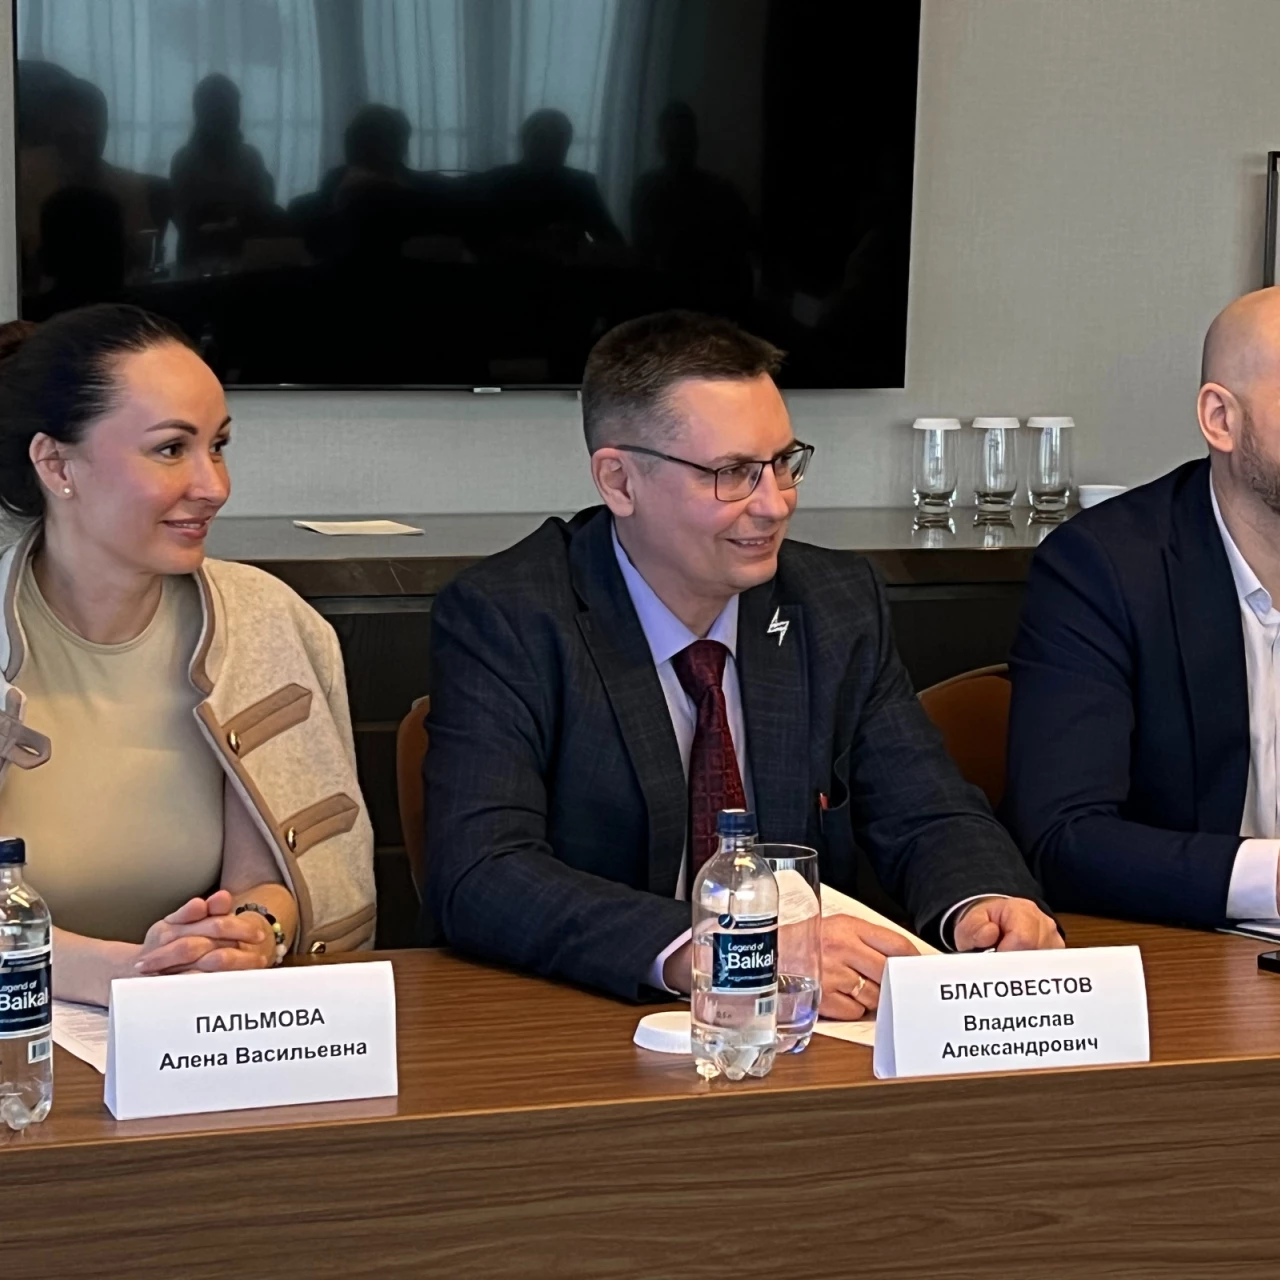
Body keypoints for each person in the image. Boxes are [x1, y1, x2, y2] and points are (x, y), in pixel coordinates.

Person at [424, 310, 1061, 1012]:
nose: (775, 504)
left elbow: (926, 810)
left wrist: (985, 901)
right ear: (620, 482)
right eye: (732, 473)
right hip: (593, 1018)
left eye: (783, 464)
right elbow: (483, 872)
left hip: (802, 1029)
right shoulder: (509, 616)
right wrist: (727, 951)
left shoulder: (833, 602)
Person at [0, 304, 376, 1007]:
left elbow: (275, 874)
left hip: (200, 1032)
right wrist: (133, 973)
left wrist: (251, 934)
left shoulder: (265, 622)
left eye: (218, 446)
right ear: (56, 464)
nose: (214, 487)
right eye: (172, 449)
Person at [1005, 285, 1280, 928]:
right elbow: (1063, 839)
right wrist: (1268, 880)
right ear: (1220, 418)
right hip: (1196, 949)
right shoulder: (1102, 569)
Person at [169, 73, 277, 265]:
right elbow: (185, 222)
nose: (233, 116)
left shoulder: (251, 157)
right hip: (199, 263)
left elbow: (264, 215)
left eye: (234, 108)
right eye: (223, 108)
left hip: (247, 261)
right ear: (203, 114)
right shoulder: (185, 160)